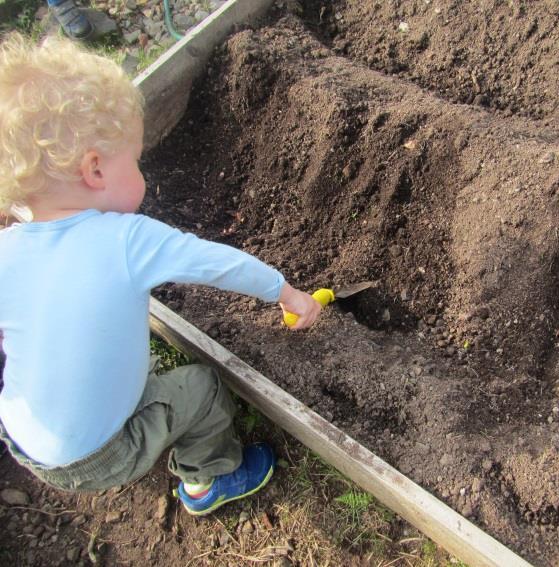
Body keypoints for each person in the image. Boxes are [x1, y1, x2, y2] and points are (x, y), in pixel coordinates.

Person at [0, 33, 322, 515]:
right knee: (204, 389)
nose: (141, 170)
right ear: (95, 171)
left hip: (22, 436)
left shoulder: (8, 249)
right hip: (96, 454)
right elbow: (218, 263)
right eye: (134, 158)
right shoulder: (125, 239)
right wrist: (288, 293)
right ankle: (207, 482)